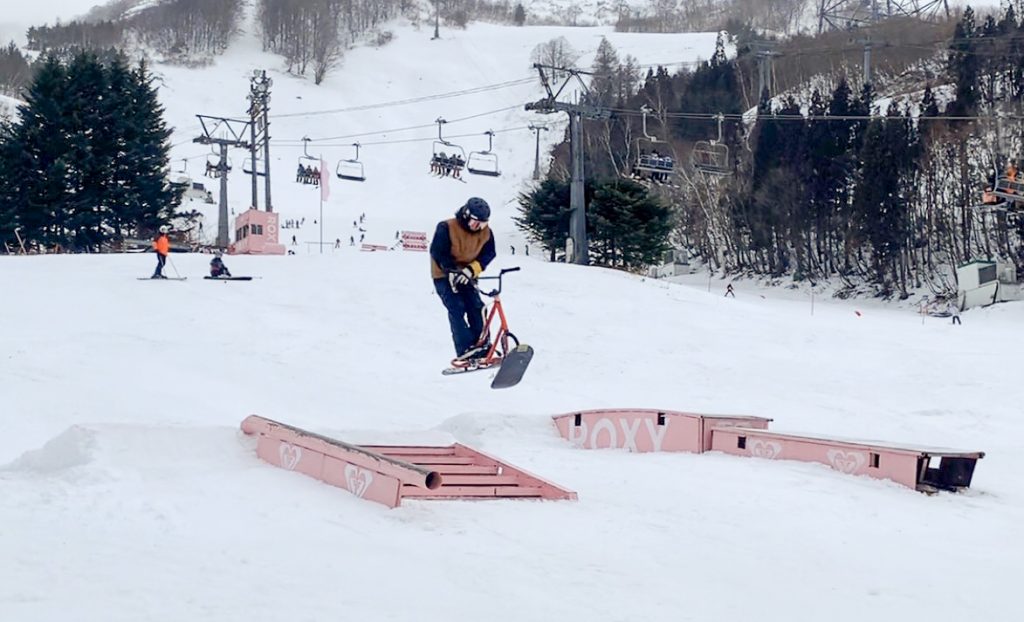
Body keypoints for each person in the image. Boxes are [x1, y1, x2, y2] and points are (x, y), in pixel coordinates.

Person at [430, 197, 496, 366]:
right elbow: (438, 252)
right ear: (466, 216)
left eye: (482, 224)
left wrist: (471, 270)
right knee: (456, 307)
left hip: (467, 275)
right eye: (475, 223)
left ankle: (482, 346)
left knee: (477, 307)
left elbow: (489, 254)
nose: (478, 228)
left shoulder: (486, 233)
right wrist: (451, 270)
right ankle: (465, 350)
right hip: (444, 275)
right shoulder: (446, 227)